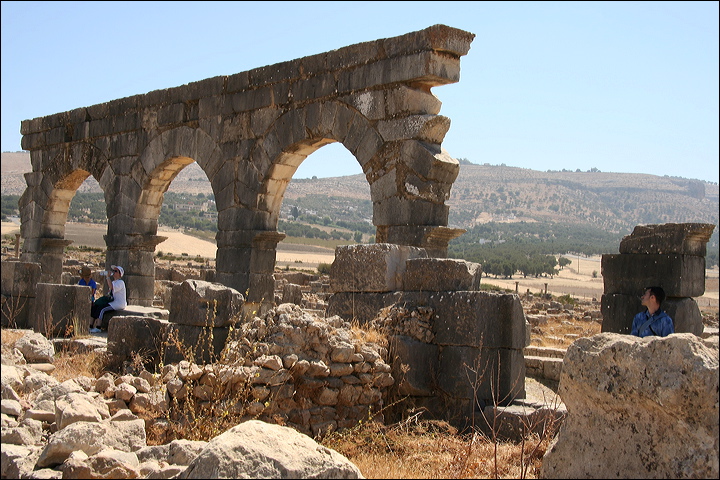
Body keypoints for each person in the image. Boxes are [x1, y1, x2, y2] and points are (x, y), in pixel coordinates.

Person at [90, 265, 127, 333]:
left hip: (118, 303)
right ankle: (90, 326)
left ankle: (98, 327)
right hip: (113, 301)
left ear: (120, 274)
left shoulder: (121, 282)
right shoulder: (113, 282)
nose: (113, 272)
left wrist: (107, 277)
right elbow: (110, 291)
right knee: (96, 306)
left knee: (102, 309)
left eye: (115, 271)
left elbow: (112, 287)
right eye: (113, 271)